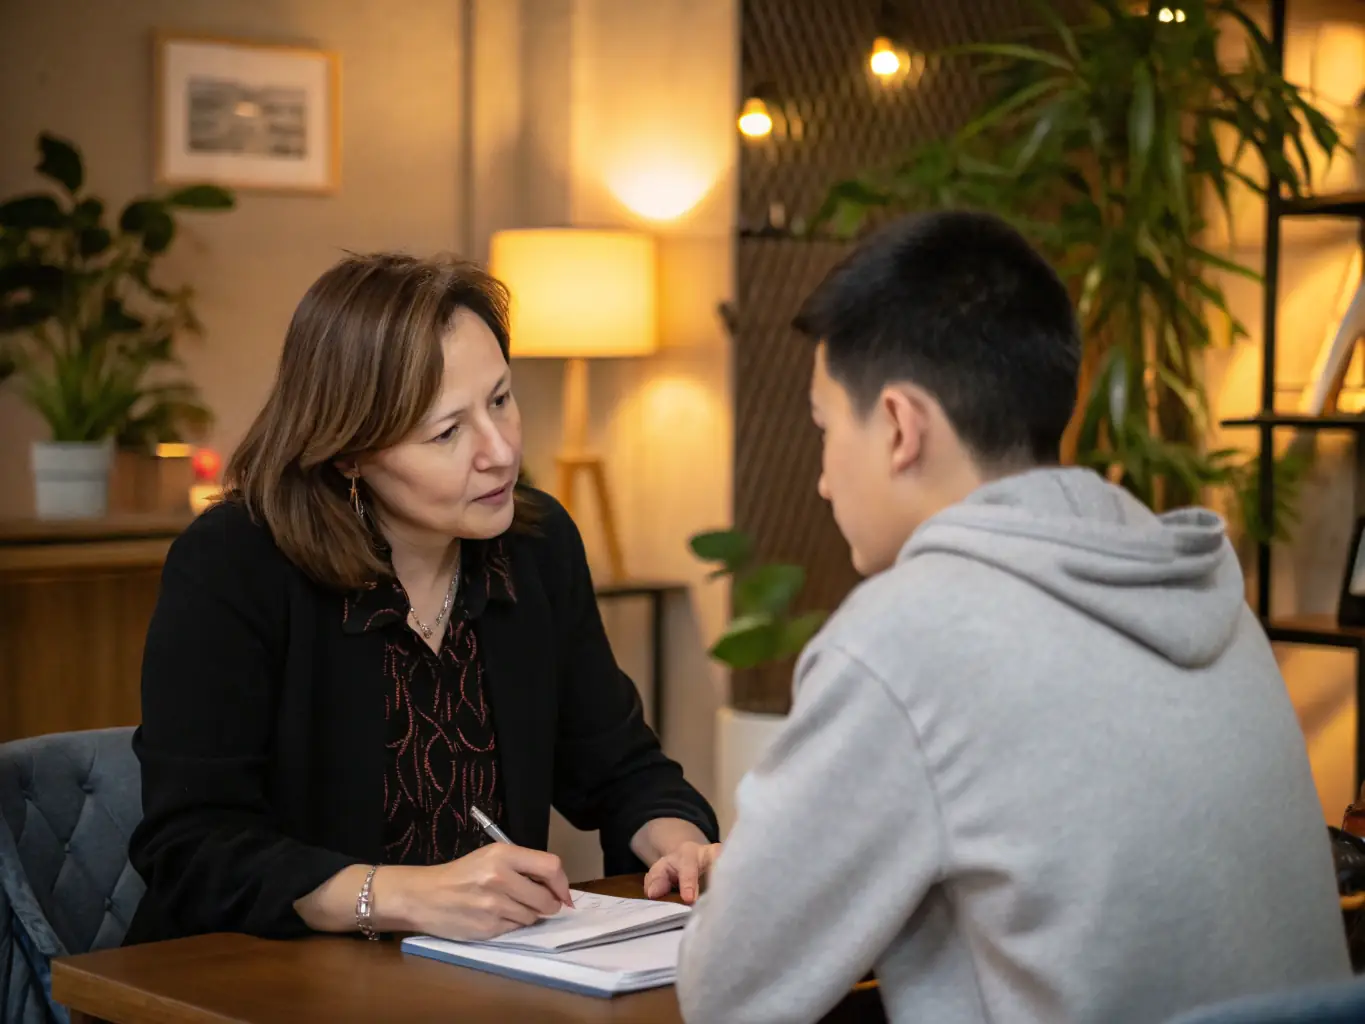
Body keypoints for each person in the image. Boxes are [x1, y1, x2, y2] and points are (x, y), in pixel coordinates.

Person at [676, 210, 1349, 1023]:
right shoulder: (1199, 586)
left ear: (897, 426)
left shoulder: (904, 634)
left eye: (824, 430)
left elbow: (727, 993)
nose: (821, 480)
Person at [125, 253, 720, 946]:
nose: (499, 452)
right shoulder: (236, 562)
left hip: (470, 980)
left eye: (500, 400)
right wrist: (400, 895)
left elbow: (621, 769)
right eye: (447, 432)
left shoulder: (534, 545)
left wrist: (677, 845)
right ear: (348, 453)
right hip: (254, 982)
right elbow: (193, 845)